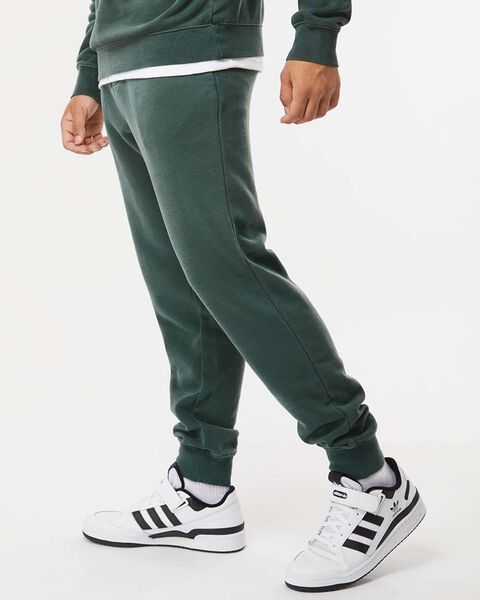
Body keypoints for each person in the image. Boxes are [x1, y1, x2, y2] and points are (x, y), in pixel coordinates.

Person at [60, 1, 425, 592]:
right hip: (121, 67)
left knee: (229, 270)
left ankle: (372, 478)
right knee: (181, 285)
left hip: (194, 47)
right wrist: (89, 70)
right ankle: (202, 490)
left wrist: (318, 33)